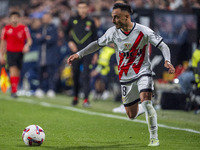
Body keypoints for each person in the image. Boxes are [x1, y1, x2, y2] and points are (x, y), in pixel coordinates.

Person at [67, 3, 175, 146]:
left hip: (143, 72)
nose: (113, 21)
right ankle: (144, 106)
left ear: (127, 17)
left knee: (147, 102)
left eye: (116, 17)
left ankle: (154, 138)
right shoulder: (112, 32)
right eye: (112, 17)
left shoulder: (143, 31)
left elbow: (163, 45)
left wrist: (167, 60)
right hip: (125, 77)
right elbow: (96, 44)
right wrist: (79, 54)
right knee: (131, 115)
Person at [65, 0, 97, 107]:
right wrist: (69, 42)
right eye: (80, 7)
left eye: (84, 7)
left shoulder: (91, 22)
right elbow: (65, 32)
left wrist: (95, 54)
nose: (82, 9)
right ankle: (75, 97)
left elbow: (95, 39)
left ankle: (86, 99)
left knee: (86, 75)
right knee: (75, 74)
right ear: (77, 9)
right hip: (75, 52)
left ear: (88, 9)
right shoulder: (72, 20)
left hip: (87, 52)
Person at [0, 11, 32, 98]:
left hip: (20, 53)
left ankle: (14, 89)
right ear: (10, 19)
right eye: (12, 17)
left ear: (19, 18)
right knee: (12, 70)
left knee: (17, 72)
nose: (14, 19)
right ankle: (14, 91)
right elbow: (3, 42)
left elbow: (29, 40)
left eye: (16, 17)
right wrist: (1, 54)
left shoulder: (23, 28)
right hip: (10, 52)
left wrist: (27, 45)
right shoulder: (6, 29)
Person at [34, 13, 58, 98]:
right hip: (41, 55)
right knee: (40, 73)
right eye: (44, 18)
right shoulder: (41, 28)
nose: (45, 19)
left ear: (50, 18)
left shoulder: (53, 27)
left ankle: (51, 89)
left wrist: (42, 38)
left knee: (51, 73)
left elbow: (52, 39)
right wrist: (45, 37)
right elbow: (37, 39)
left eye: (47, 17)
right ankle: (40, 89)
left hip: (50, 55)